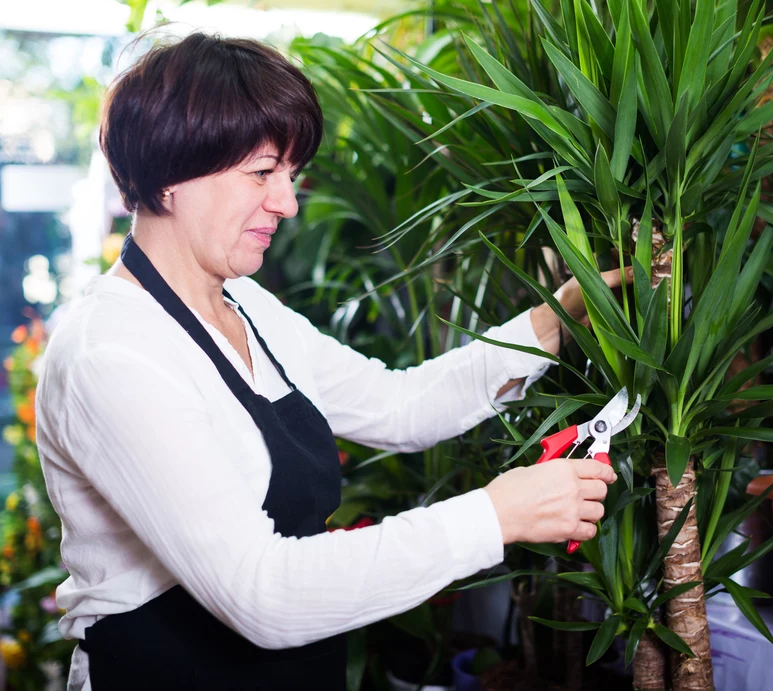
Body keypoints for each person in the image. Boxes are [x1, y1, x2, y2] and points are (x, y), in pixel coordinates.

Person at [34, 32, 629, 691]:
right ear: (171, 174)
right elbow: (258, 591)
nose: (287, 203)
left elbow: (401, 404)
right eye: (262, 174)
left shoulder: (247, 305)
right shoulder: (112, 352)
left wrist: (559, 315)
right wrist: (492, 516)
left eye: (289, 176)